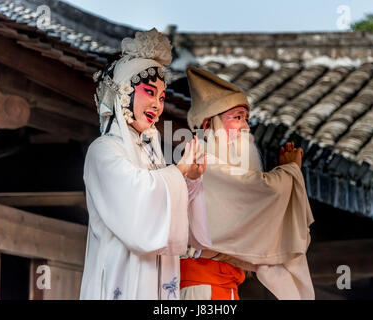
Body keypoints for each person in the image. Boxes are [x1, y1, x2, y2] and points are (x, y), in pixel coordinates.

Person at [80, 30, 211, 300]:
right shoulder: (103, 151)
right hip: (120, 273)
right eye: (149, 92)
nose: (157, 105)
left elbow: (163, 209)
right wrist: (177, 173)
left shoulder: (153, 153)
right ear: (123, 93)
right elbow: (137, 205)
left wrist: (190, 181)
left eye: (162, 98)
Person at [180, 66, 315, 300]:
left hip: (225, 285)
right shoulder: (203, 165)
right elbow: (262, 190)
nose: (246, 127)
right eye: (237, 118)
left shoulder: (220, 167)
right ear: (208, 126)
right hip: (201, 286)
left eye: (246, 118)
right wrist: (291, 170)